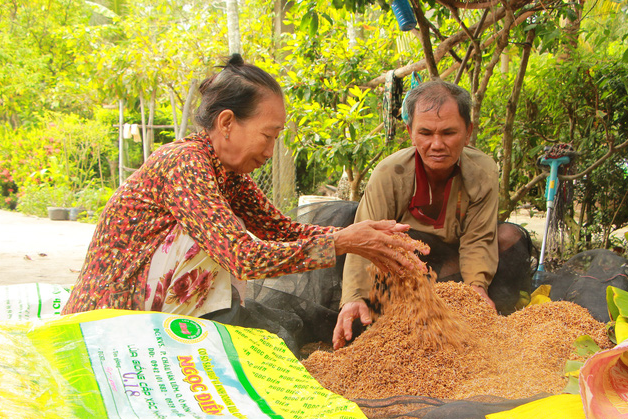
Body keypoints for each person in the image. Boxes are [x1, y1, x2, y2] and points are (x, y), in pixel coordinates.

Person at [63, 54, 426, 321]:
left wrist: (358, 236)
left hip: (145, 311)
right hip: (109, 315)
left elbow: (281, 230)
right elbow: (243, 257)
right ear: (226, 123)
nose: (270, 152)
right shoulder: (185, 163)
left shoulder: (228, 173)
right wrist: (342, 242)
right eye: (268, 136)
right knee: (219, 246)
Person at [333, 80, 531, 349]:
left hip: (455, 261)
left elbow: (479, 237)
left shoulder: (483, 171)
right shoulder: (390, 173)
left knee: (509, 236)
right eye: (425, 133)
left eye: (449, 133)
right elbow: (366, 240)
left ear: (468, 132)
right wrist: (354, 297)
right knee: (362, 322)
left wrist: (476, 288)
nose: (437, 144)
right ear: (410, 132)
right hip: (404, 266)